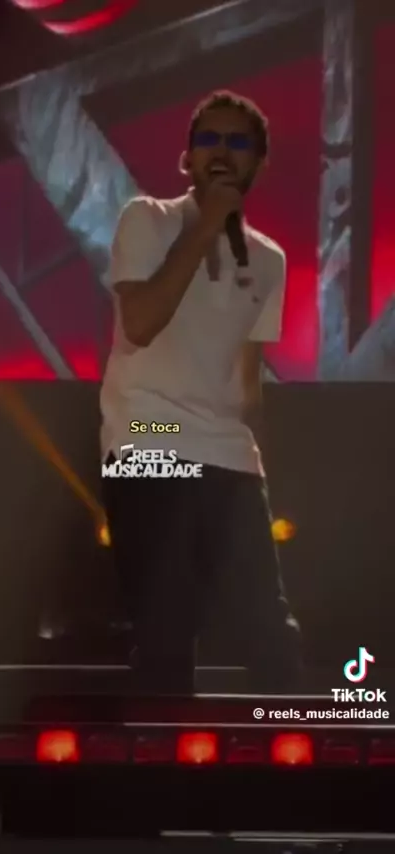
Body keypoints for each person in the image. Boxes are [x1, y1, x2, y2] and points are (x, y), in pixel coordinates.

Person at [100, 90, 302, 694]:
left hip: (229, 454)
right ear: (187, 158)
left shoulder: (269, 259)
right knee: (166, 629)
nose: (221, 152)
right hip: (149, 434)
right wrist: (206, 225)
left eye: (237, 142)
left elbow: (248, 381)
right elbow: (140, 323)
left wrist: (258, 463)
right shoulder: (148, 219)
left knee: (271, 634)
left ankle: (287, 750)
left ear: (258, 162)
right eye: (208, 139)